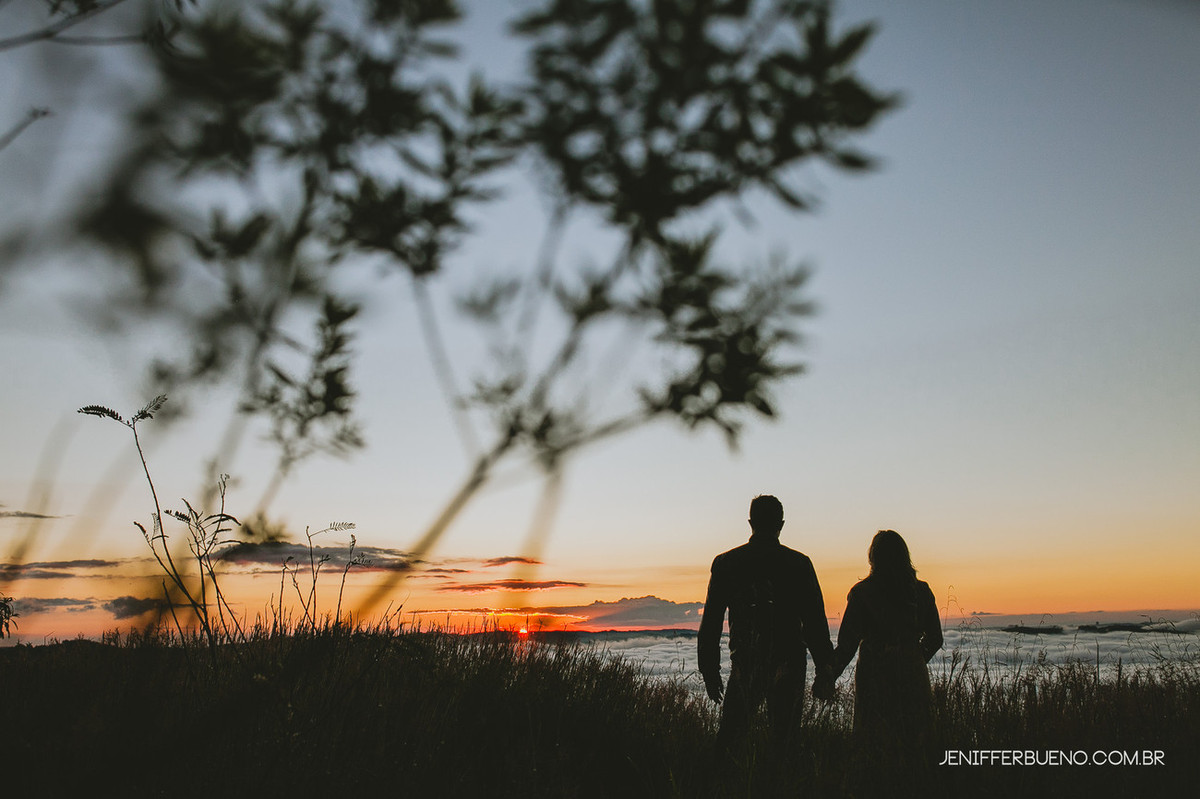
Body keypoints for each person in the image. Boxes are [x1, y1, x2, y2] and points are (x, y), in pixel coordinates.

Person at [698, 495, 835, 752]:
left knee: (730, 740)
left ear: (750, 523)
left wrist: (709, 669)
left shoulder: (727, 563)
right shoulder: (799, 564)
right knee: (786, 742)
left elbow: (712, 622)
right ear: (781, 524)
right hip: (790, 664)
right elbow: (815, 622)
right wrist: (824, 669)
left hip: (746, 662)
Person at [832, 530, 943, 776]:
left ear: (873, 557)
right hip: (912, 670)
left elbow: (847, 645)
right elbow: (936, 638)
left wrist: (828, 675)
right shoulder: (922, 591)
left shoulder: (862, 593)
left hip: (874, 670)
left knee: (873, 735)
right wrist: (913, 657)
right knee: (915, 736)